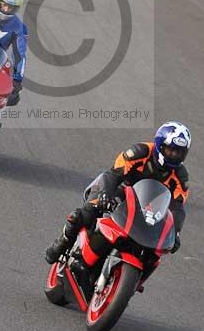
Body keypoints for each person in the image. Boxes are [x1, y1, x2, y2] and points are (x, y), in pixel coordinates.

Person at [45, 121, 192, 286]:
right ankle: (63, 241)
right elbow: (113, 174)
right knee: (86, 213)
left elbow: (178, 207)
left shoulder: (181, 176)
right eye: (170, 150)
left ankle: (134, 282)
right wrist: (105, 195)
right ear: (159, 144)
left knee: (156, 249)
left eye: (179, 152)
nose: (173, 155)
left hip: (147, 206)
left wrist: (176, 231)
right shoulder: (139, 152)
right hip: (118, 190)